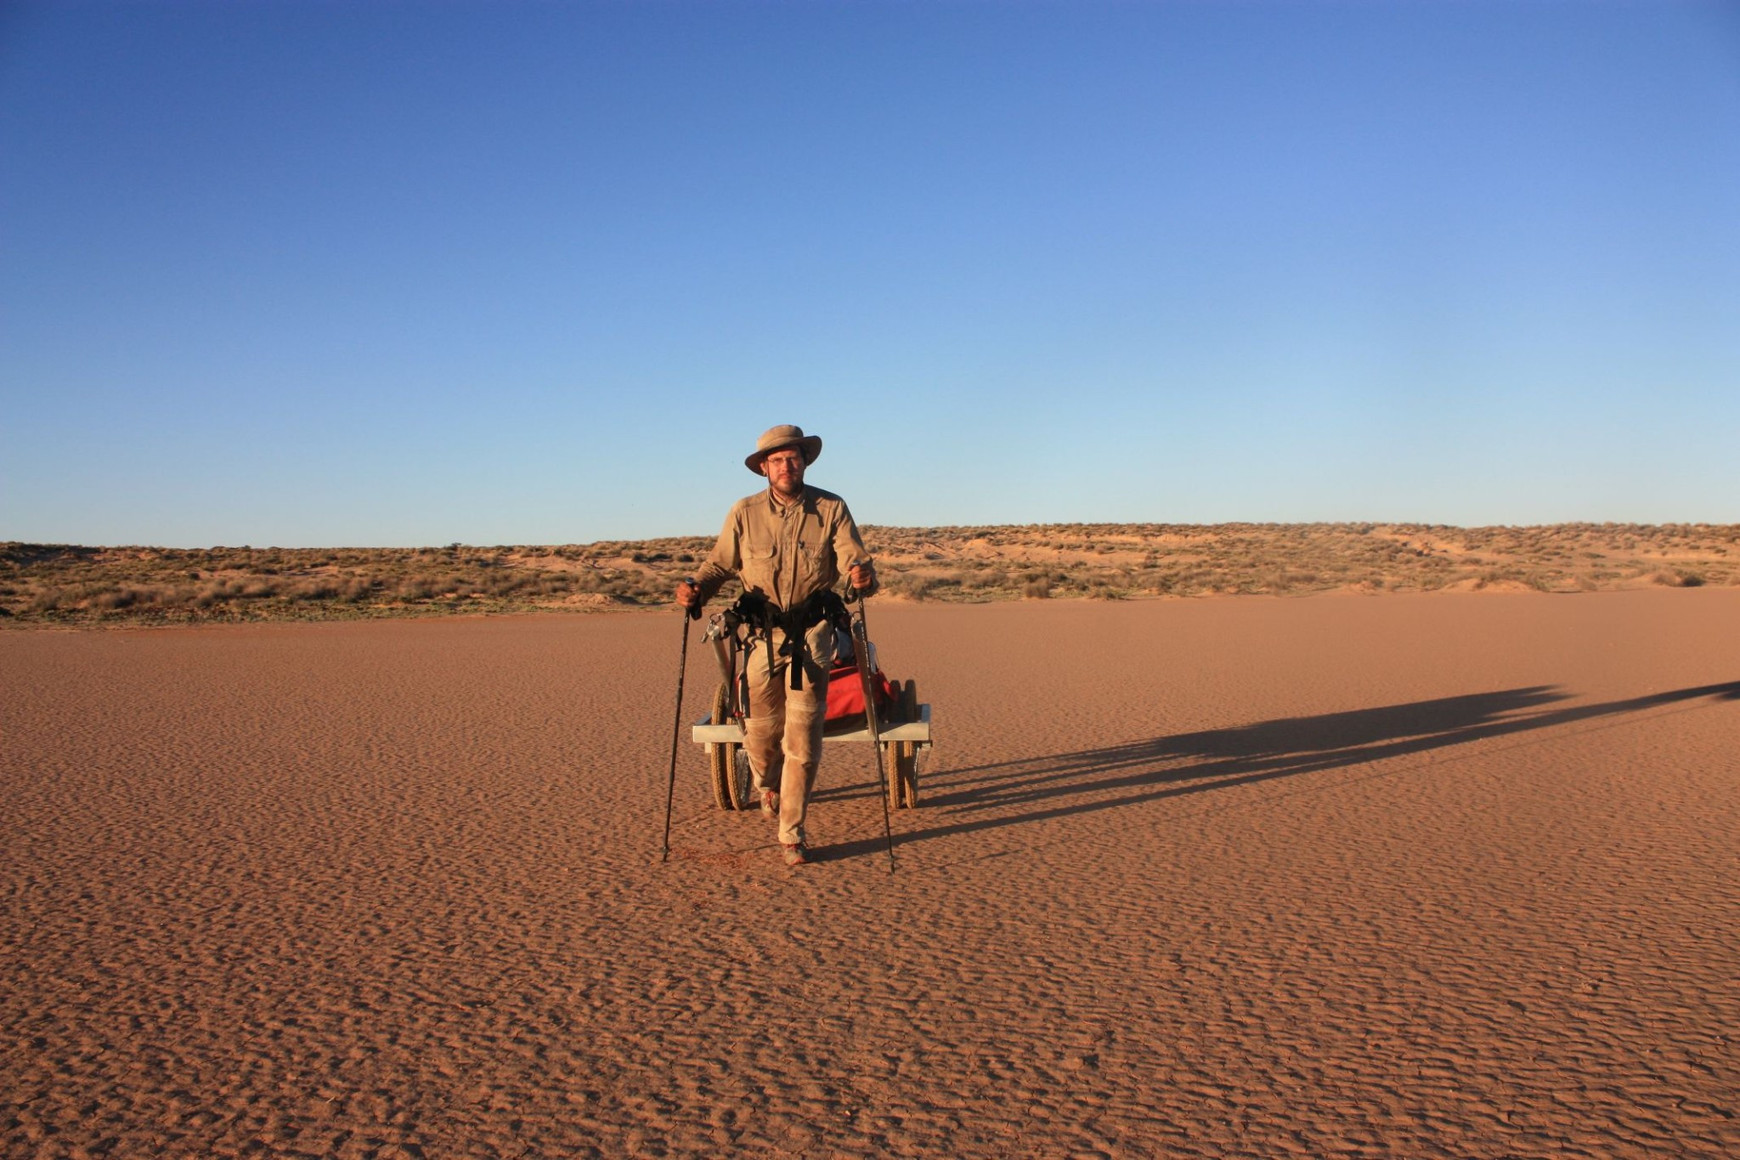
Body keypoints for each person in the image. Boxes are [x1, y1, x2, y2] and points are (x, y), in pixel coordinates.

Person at [675, 424, 877, 867]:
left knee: (803, 736)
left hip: (812, 636)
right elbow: (717, 566)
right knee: (762, 732)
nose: (787, 466)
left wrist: (862, 575)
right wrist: (694, 588)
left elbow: (854, 560)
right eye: (778, 460)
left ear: (804, 461)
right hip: (764, 638)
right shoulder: (744, 513)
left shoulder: (830, 508)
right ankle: (767, 783)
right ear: (764, 467)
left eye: (794, 458)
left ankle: (792, 832)